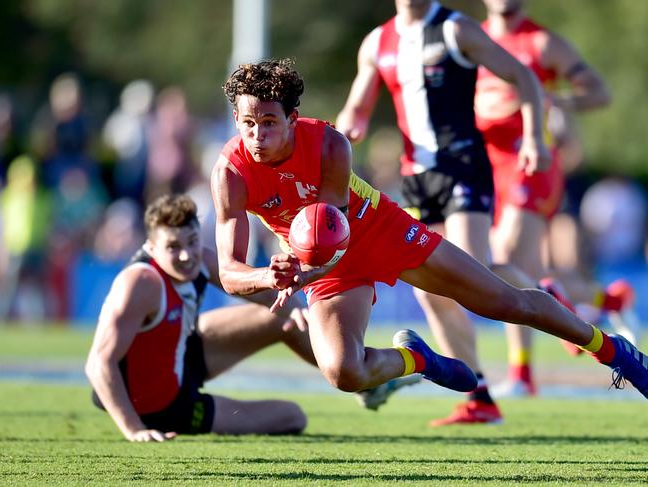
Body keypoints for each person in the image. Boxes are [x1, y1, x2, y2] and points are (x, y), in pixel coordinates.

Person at [211, 59, 648, 426]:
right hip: (321, 261)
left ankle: (614, 351)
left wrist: (301, 271)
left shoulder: (329, 143)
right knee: (344, 373)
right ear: (236, 121)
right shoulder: (229, 173)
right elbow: (230, 271)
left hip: (378, 230)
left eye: (269, 122)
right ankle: (418, 360)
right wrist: (266, 274)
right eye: (248, 124)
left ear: (292, 118)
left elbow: (333, 233)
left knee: (505, 303)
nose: (257, 136)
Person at [336, 0, 551, 424]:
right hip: (417, 177)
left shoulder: (456, 30)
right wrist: (346, 129)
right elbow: (356, 107)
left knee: (474, 269)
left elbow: (523, 76)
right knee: (430, 290)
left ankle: (549, 302)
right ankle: (480, 396)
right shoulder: (378, 42)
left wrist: (534, 139)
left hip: (463, 166)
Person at [475, 0, 638, 397]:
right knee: (504, 268)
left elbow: (599, 92)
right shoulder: (471, 38)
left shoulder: (544, 42)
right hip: (485, 165)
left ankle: (523, 375)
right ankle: (592, 299)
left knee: (507, 254)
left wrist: (556, 102)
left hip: (533, 160)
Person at [85, 193, 316, 442]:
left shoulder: (202, 259)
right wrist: (134, 429)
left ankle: (351, 375)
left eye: (192, 242)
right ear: (151, 248)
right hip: (162, 403)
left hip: (182, 354)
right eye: (173, 247)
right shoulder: (141, 283)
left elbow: (255, 290)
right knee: (293, 417)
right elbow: (98, 364)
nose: (186, 256)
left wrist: (293, 307)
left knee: (285, 313)